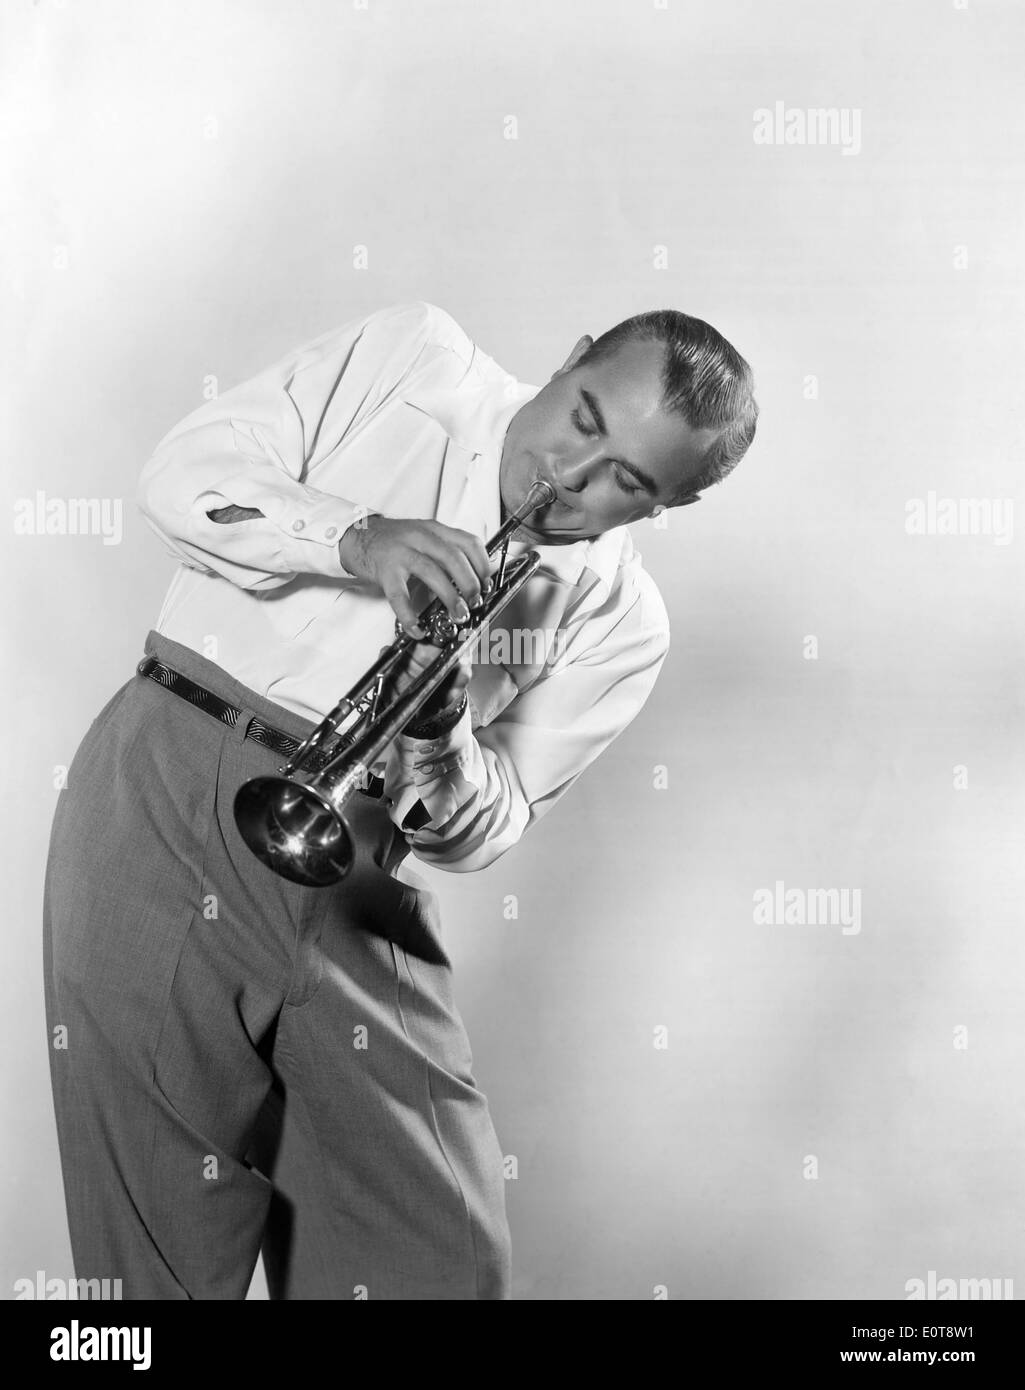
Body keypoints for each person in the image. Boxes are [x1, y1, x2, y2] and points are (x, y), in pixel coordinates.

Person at [42, 299, 758, 1300]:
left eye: (625, 482)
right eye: (584, 418)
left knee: (442, 1251)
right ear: (568, 358)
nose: (572, 475)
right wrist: (357, 539)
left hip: (359, 867)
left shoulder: (622, 619)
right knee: (155, 1258)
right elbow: (179, 476)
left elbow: (490, 825)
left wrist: (438, 732)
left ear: (660, 509)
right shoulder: (415, 361)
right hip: (176, 784)